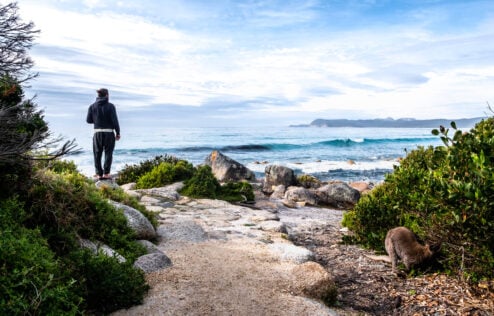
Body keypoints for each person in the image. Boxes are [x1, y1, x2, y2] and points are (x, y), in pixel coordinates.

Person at [86, 88, 120, 180]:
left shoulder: (92, 106)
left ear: (98, 96)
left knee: (97, 153)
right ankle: (106, 173)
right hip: (109, 133)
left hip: (97, 133)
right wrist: (118, 133)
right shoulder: (111, 106)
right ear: (107, 95)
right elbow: (115, 121)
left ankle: (98, 174)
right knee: (108, 153)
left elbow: (88, 120)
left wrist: (97, 119)